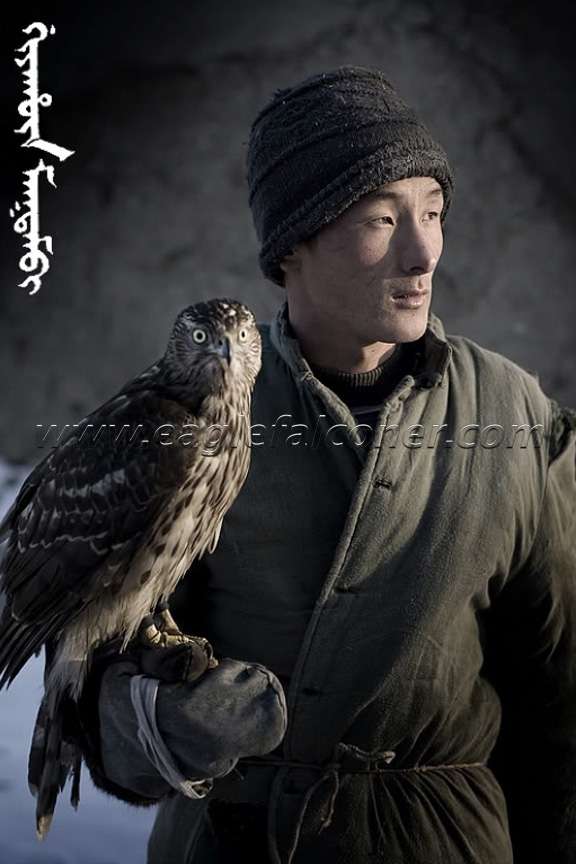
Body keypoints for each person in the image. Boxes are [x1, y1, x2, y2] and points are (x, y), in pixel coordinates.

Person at [73, 66, 576, 864]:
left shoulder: (514, 413)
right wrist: (161, 725)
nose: (423, 252)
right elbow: (91, 680)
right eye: (382, 219)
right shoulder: (189, 422)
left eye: (435, 214)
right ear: (293, 246)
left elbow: (560, 699)